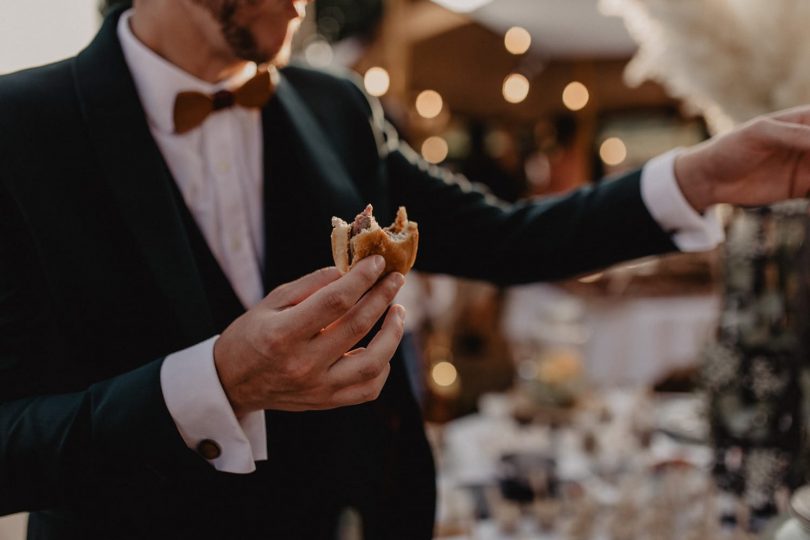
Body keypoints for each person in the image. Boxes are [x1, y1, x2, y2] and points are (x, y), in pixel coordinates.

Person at [2, 0, 810, 538]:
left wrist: (700, 177)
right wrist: (216, 382)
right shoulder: (18, 130)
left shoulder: (335, 107)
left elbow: (509, 238)